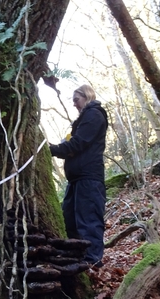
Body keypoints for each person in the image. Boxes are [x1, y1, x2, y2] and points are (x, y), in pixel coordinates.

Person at [49, 84, 108, 267]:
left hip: (89, 178)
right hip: (76, 180)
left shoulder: (94, 115)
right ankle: (78, 259)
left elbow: (78, 144)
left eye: (76, 99)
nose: (74, 104)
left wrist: (51, 149)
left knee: (89, 221)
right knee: (70, 220)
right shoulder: (84, 118)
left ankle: (92, 263)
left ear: (87, 96)